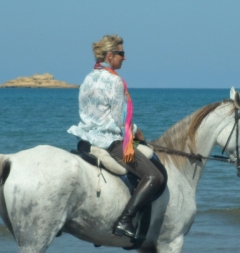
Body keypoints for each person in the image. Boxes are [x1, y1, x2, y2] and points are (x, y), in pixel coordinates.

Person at [67, 35, 166, 239]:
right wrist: (136, 133)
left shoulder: (87, 78)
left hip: (86, 139)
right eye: (121, 53)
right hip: (109, 142)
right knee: (155, 176)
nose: (125, 58)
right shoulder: (115, 81)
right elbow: (119, 120)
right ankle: (125, 220)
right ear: (110, 55)